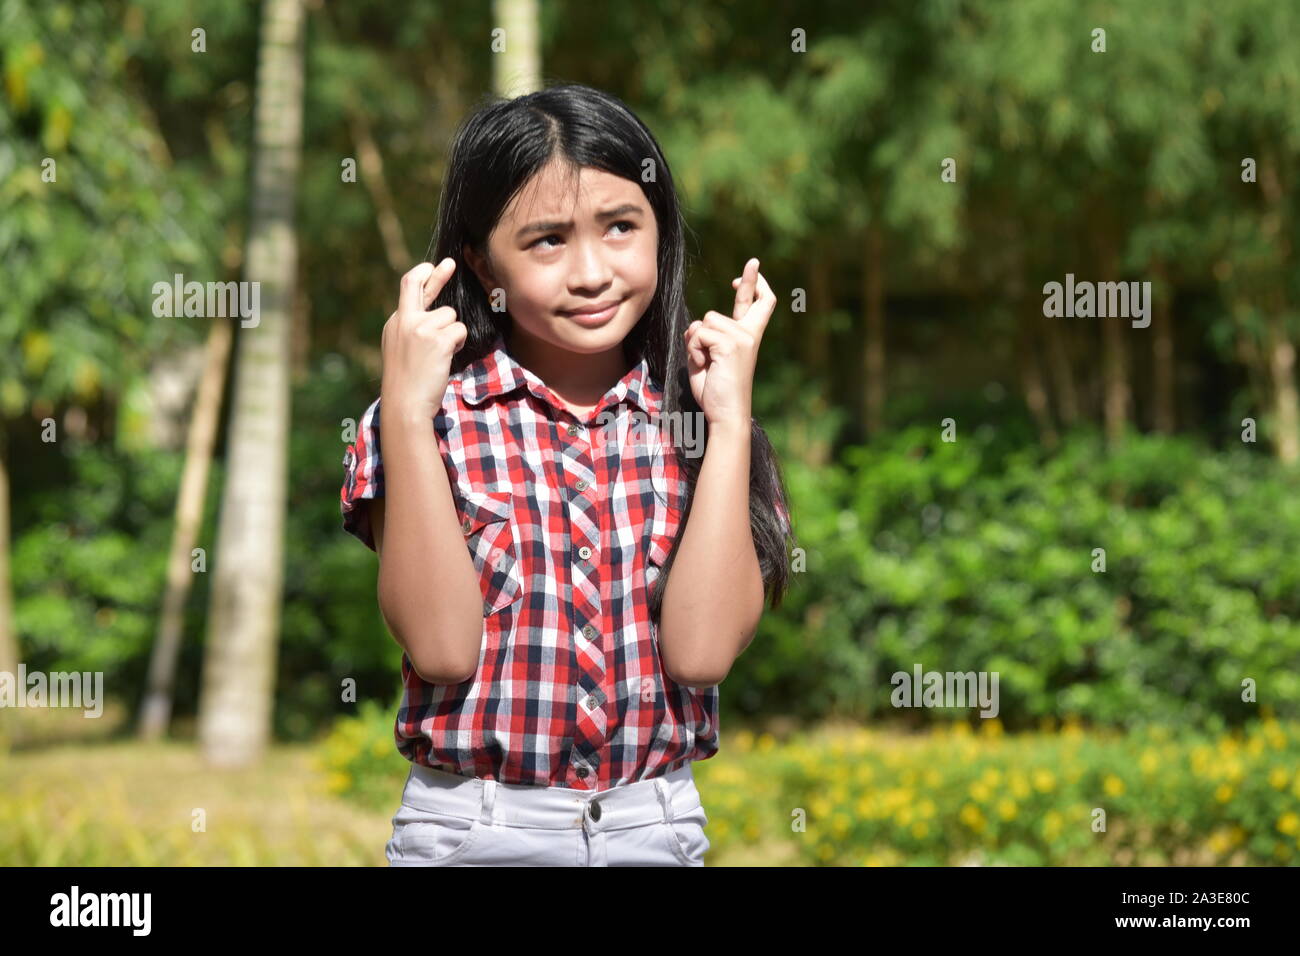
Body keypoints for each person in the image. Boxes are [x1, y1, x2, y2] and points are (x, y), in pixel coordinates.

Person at [340, 82, 794, 866]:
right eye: (546, 241)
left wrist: (726, 425)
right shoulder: (429, 420)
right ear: (483, 263)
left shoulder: (706, 422)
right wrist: (408, 412)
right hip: (472, 835)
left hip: (656, 830)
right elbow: (443, 649)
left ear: (660, 231)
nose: (590, 272)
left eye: (620, 227)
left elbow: (701, 654)